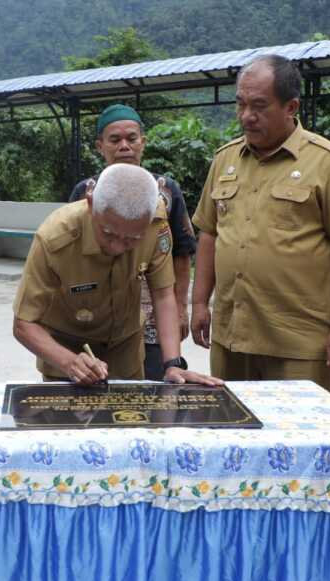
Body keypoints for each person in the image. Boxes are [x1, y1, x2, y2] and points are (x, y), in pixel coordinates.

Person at [190, 54, 330, 392]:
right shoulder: (225, 160)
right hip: (232, 336)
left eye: (259, 106)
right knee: (235, 434)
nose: (247, 116)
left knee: (299, 440)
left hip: (299, 344)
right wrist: (200, 303)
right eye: (241, 104)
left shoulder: (327, 162)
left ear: (291, 107)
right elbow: (209, 234)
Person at [14, 162, 219, 387]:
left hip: (126, 351)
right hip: (66, 354)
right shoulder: (54, 237)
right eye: (108, 233)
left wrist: (173, 363)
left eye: (133, 239)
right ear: (91, 203)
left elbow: (163, 295)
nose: (118, 247)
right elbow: (24, 323)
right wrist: (69, 362)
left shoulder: (155, 223)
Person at [68, 104, 197, 380]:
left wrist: (180, 309)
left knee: (151, 395)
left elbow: (182, 253)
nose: (124, 146)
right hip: (95, 318)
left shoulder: (166, 190)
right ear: (100, 146)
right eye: (115, 140)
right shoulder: (85, 192)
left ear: (143, 143)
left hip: (152, 321)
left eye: (132, 138)